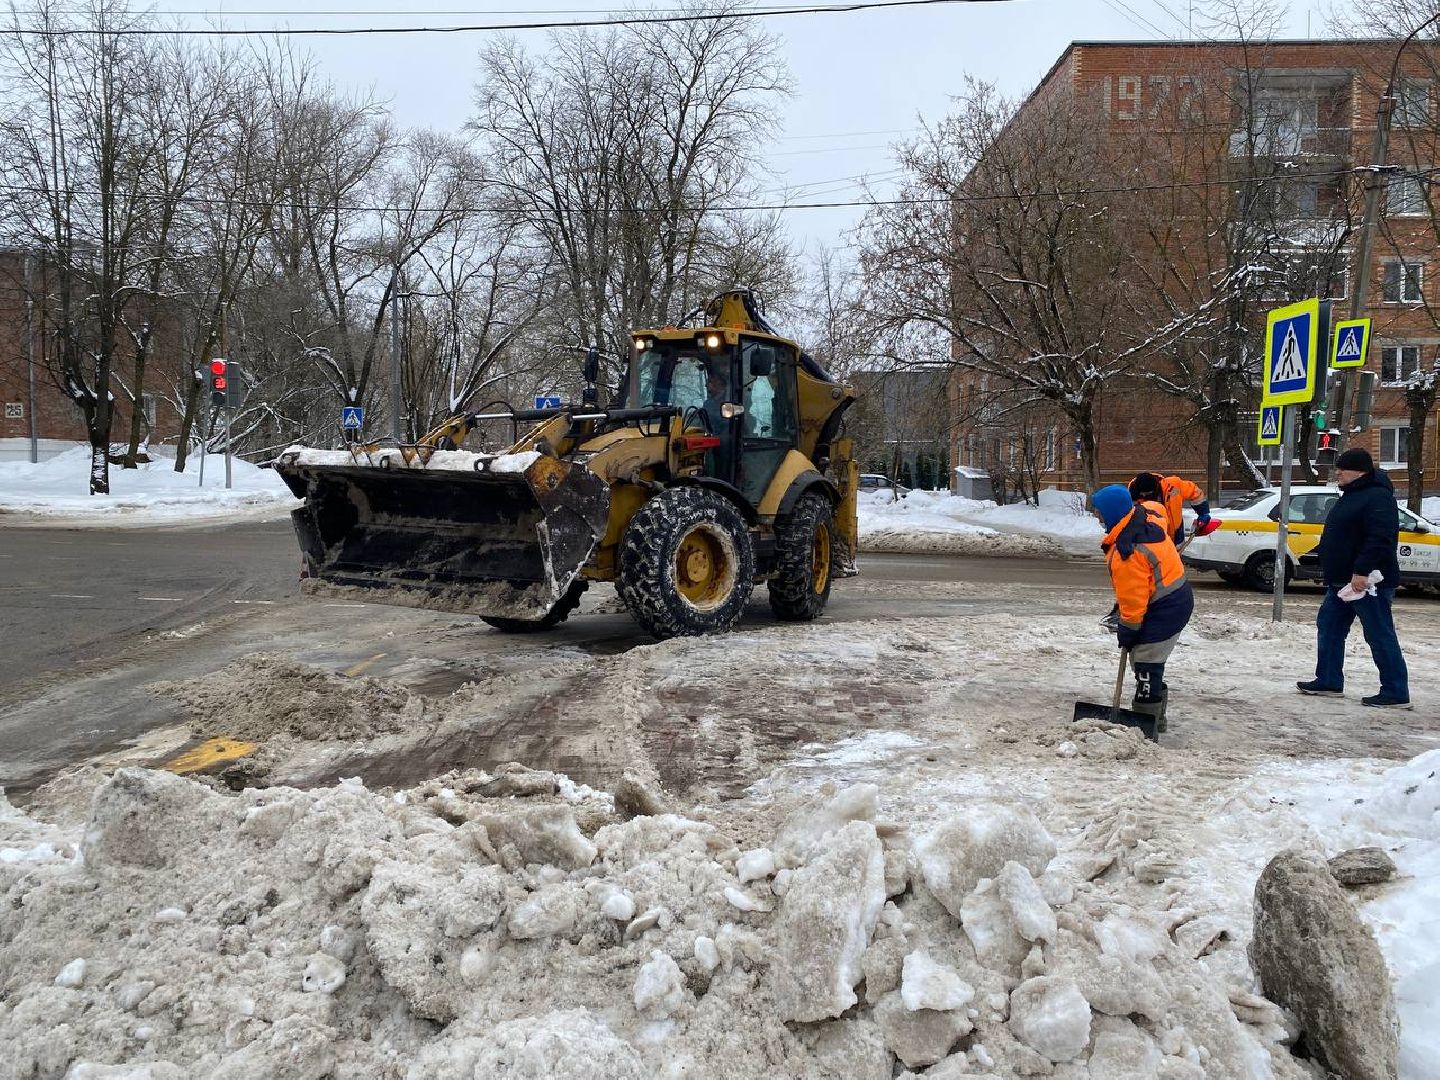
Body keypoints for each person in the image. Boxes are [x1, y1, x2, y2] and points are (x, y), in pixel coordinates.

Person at [1296, 448, 1410, 709]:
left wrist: (1361, 571)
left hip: (1367, 582)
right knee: (1329, 626)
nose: (1338, 473)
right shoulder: (1352, 495)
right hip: (1342, 582)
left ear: (1360, 471)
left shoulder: (1377, 497)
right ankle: (1328, 680)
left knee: (1379, 634)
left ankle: (1395, 691)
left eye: (1342, 469)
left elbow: (1380, 537)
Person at [1093, 483, 1195, 729]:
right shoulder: (1144, 516)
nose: (1096, 517)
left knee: (1146, 662)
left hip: (1165, 606)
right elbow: (1157, 506)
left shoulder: (1128, 552)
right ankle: (1155, 716)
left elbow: (1134, 599)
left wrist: (1127, 629)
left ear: (1112, 513)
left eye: (1099, 512)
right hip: (1175, 595)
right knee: (1146, 658)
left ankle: (1146, 725)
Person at [1129, 472, 1210, 546]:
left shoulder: (1172, 487)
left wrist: (1203, 512)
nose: (1147, 496)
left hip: (1176, 537)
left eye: (1150, 494)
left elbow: (1193, 491)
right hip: (1149, 544)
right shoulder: (1131, 498)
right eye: (1144, 495)